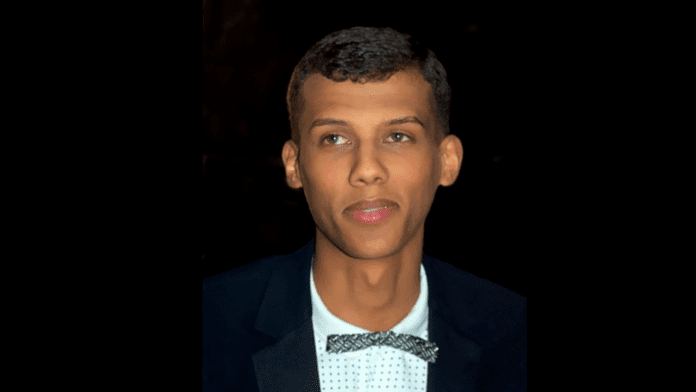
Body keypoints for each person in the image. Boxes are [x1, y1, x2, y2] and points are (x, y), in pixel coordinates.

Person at [203, 26, 527, 392]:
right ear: (294, 165)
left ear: (447, 161)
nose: (367, 169)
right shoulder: (211, 324)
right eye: (335, 138)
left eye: (398, 136)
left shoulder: (516, 332)